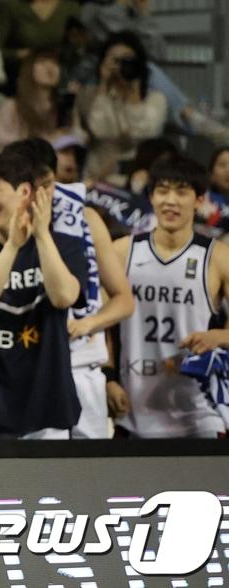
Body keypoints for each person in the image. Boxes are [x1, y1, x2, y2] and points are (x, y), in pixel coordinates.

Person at [0, 152, 87, 438]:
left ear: (24, 192)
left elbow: (64, 297)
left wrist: (42, 236)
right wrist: (12, 245)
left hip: (48, 404)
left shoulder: (67, 245)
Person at [5, 138, 133, 439]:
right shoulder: (3, 223)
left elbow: (124, 299)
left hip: (84, 368)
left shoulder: (85, 218)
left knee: (93, 479)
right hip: (32, 370)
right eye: (34, 186)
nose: (44, 194)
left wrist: (90, 324)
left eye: (49, 183)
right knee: (41, 479)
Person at [113, 156, 229, 439]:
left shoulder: (219, 257)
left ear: (200, 199)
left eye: (181, 192)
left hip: (198, 409)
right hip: (134, 406)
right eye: (163, 191)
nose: (170, 201)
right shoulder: (121, 252)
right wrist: (107, 378)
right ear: (151, 197)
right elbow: (100, 325)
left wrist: (218, 337)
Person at [80, 32, 167, 182]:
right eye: (115, 59)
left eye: (128, 60)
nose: (122, 65)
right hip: (96, 181)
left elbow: (144, 134)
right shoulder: (91, 96)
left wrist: (133, 94)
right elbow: (98, 129)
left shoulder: (156, 99)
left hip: (136, 182)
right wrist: (103, 85)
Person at [0, 50, 72, 151]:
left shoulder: (63, 108)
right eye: (42, 62)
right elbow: (2, 146)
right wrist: (47, 141)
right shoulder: (11, 107)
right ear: (29, 69)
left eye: (55, 63)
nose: (50, 68)